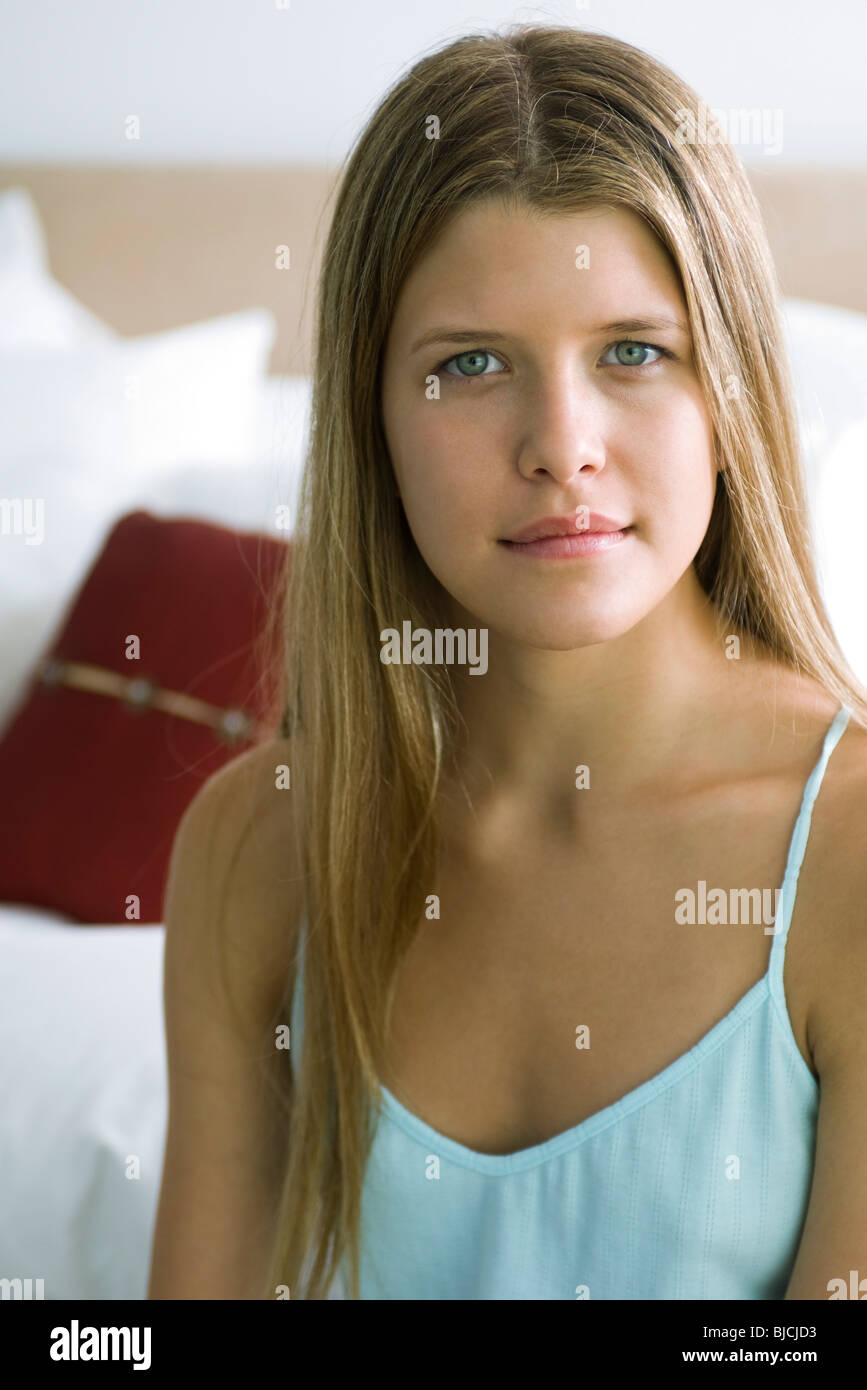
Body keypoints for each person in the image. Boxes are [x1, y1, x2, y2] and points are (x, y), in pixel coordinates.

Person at [148, 25, 867, 1301]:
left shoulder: (852, 862)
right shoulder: (254, 852)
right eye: (470, 364)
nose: (562, 444)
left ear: (734, 393)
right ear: (372, 420)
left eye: (633, 350)